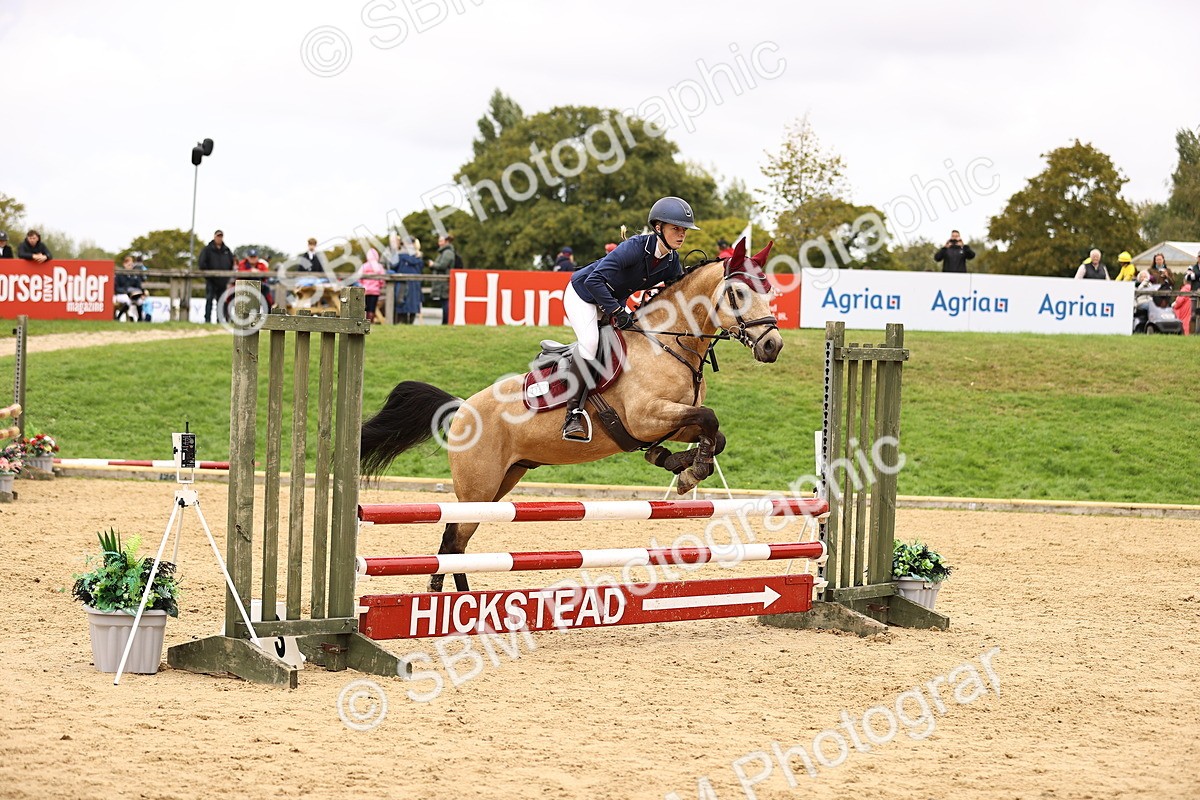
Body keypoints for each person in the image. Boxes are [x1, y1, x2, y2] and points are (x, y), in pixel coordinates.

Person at [560, 195, 698, 441]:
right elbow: (594, 281)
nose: (682, 235)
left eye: (684, 230)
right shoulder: (634, 247)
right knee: (591, 343)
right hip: (583, 294)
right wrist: (616, 312)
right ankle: (572, 415)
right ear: (658, 228)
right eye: (676, 228)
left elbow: (675, 295)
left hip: (612, 300)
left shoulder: (672, 260)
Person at [198, 230, 235, 323]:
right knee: (209, 300)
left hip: (223, 280)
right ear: (214, 236)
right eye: (218, 236)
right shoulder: (207, 249)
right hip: (211, 280)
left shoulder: (227, 250)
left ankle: (220, 320)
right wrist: (208, 275)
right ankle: (207, 320)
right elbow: (202, 263)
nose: (219, 238)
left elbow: (231, 264)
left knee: (221, 301)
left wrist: (227, 277)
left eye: (221, 236)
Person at [392, 236, 424, 324]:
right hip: (407, 283)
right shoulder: (417, 256)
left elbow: (393, 266)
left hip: (410, 283)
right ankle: (406, 323)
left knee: (408, 303)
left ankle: (407, 323)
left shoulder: (402, 255)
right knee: (405, 303)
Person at [427, 233, 455, 325]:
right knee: (444, 301)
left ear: (446, 241)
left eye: (441, 241)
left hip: (444, 282)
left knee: (445, 301)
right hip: (442, 282)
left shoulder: (447, 253)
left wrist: (433, 265)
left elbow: (443, 266)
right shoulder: (444, 252)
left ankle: (446, 322)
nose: (439, 243)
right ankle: (445, 321)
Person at [360, 248, 386, 321]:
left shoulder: (364, 266)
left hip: (365, 290)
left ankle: (364, 321)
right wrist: (380, 285)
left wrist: (363, 284)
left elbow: (359, 278)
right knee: (372, 308)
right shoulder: (379, 267)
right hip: (375, 290)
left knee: (364, 307)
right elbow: (382, 278)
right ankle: (370, 322)